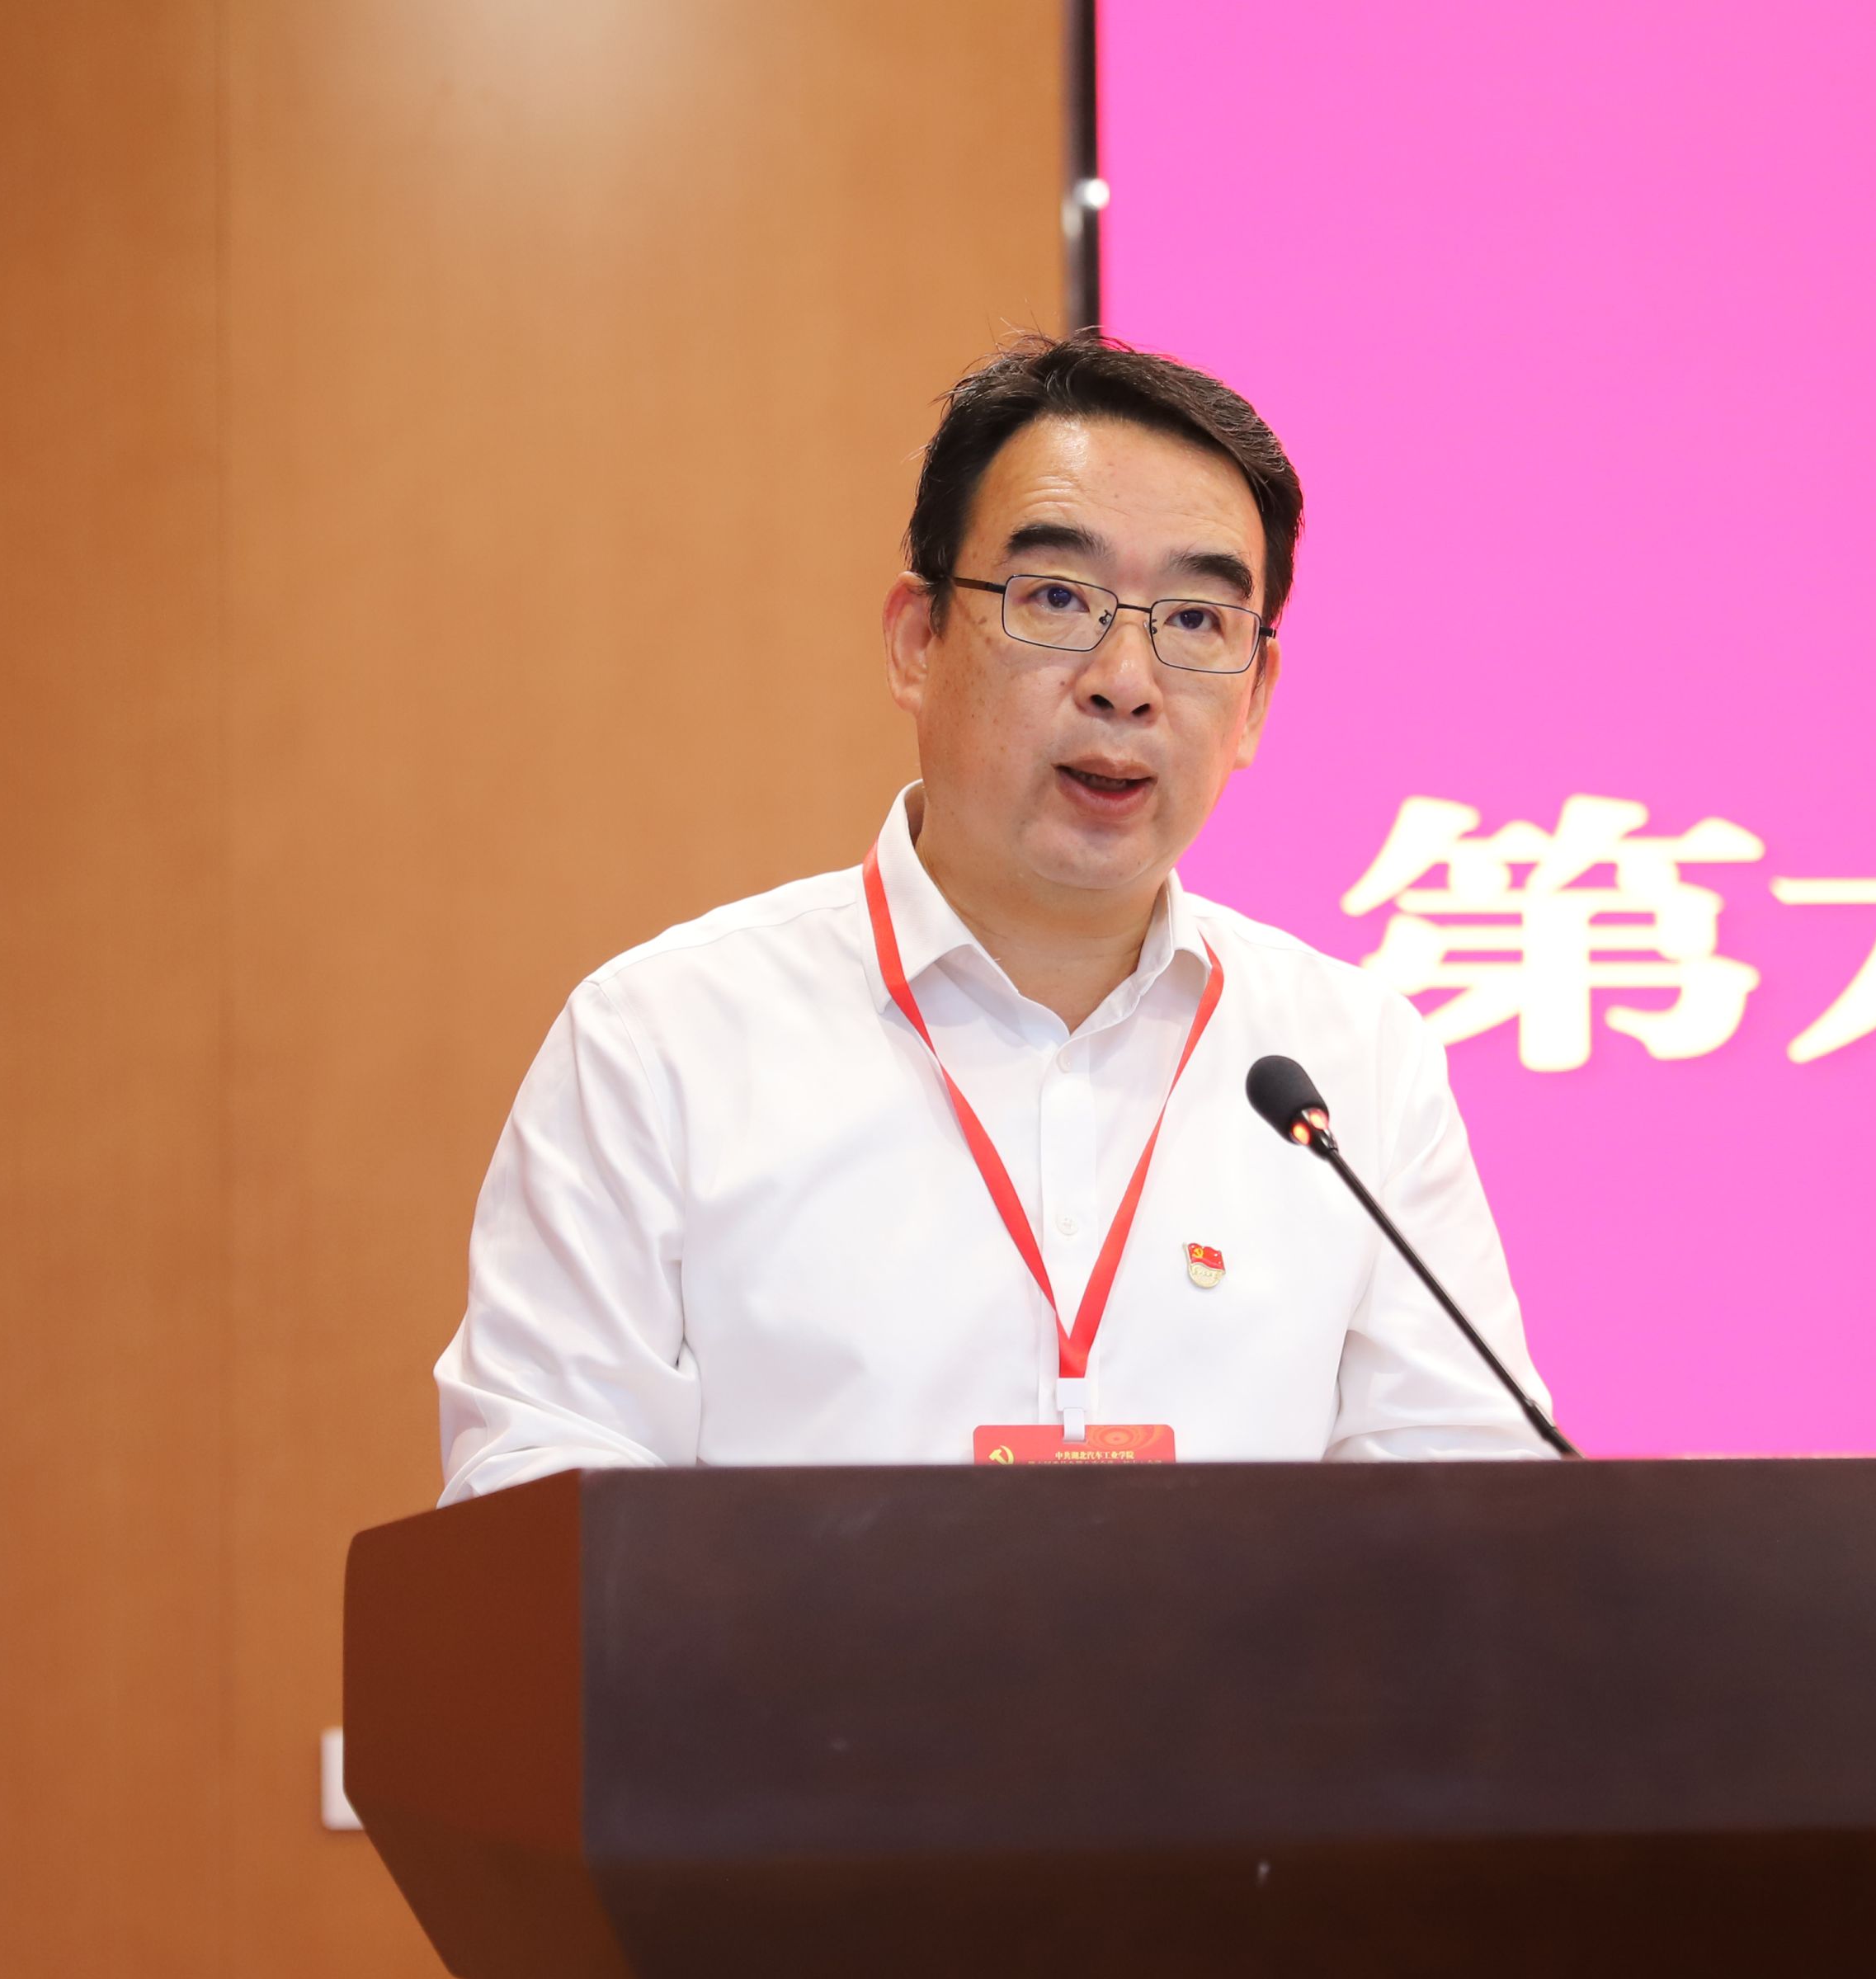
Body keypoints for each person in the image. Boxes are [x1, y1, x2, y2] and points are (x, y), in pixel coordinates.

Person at [436, 330, 1555, 1500]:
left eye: (1196, 621)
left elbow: (1471, 1510)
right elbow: (535, 1500)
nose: (1126, 681)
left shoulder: (1354, 1066)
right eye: (1057, 598)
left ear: (1257, 700)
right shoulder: (660, 1045)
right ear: (917, 642)